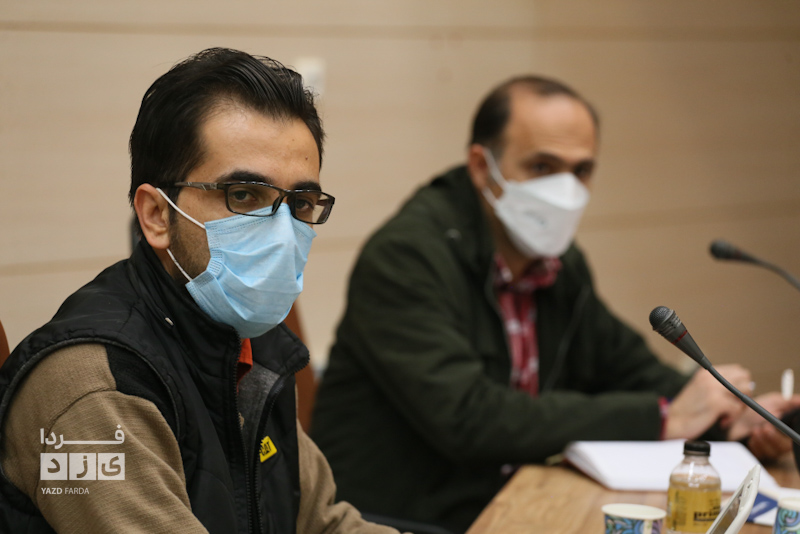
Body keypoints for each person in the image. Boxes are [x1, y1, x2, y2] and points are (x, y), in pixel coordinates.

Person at [310, 75, 800, 533]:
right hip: (405, 518)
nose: (565, 191)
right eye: (542, 167)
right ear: (482, 167)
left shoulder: (556, 261)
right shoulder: (407, 256)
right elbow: (468, 417)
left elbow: (625, 366)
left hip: (510, 498)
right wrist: (663, 415)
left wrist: (730, 415)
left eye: (581, 170)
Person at [0, 48, 400, 534]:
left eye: (300, 203)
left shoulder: (252, 344)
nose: (282, 233)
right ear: (156, 215)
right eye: (244, 195)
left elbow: (324, 525)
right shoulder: (93, 386)